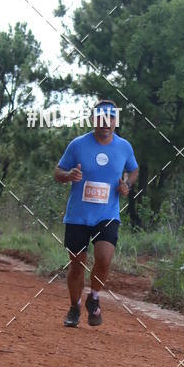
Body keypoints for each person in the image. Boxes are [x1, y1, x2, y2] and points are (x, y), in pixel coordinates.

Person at [54, 100, 139, 327]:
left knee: (104, 259)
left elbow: (133, 169)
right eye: (100, 118)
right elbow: (57, 171)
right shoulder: (77, 145)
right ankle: (74, 308)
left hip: (107, 214)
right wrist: (68, 174)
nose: (105, 123)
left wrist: (127, 185)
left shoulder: (124, 147)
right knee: (77, 264)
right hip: (78, 216)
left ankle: (93, 297)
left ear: (115, 121)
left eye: (110, 118)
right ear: (94, 120)